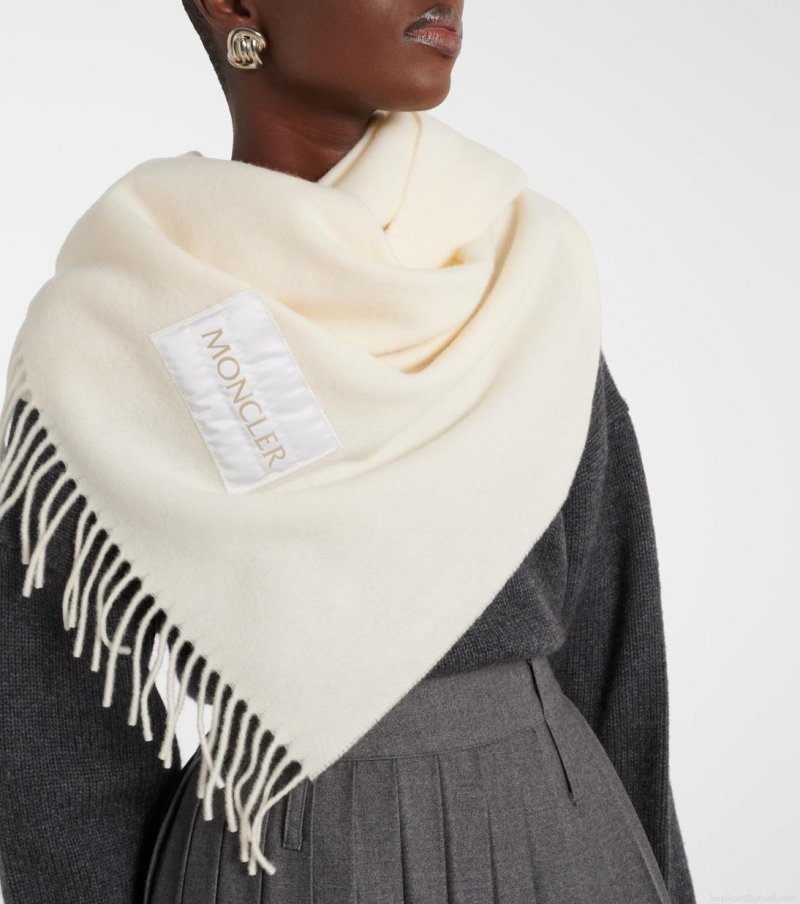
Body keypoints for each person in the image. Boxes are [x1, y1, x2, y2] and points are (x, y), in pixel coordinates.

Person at [0, 1, 696, 902]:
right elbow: (56, 755)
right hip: (271, 863)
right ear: (235, 5)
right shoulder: (112, 330)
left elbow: (615, 656)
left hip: (554, 846)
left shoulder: (523, 278)